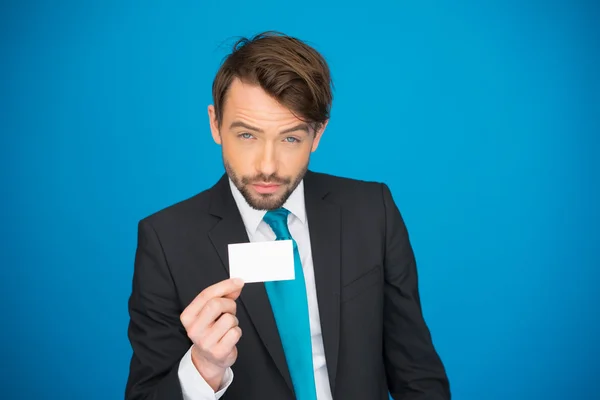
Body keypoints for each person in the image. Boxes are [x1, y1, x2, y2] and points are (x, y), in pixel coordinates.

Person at [125, 31, 450, 400]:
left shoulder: (372, 211)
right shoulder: (166, 241)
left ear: (317, 134)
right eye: (247, 135)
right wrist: (204, 368)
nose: (268, 166)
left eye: (290, 139)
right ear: (215, 124)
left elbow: (418, 373)